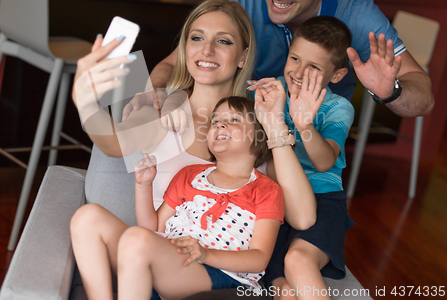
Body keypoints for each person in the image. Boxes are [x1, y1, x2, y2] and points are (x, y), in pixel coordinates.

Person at [128, 0, 433, 120]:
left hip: (311, 135)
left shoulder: (355, 11)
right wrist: (155, 91)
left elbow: (424, 98)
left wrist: (389, 91)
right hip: (243, 124)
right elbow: (174, 63)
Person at [71, 91, 312, 299]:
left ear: (258, 135)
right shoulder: (189, 175)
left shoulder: (266, 189)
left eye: (233, 120)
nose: (219, 125)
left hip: (219, 275)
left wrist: (206, 254)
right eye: (215, 121)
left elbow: (259, 259)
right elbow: (152, 227)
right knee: (87, 217)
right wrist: (143, 186)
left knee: (137, 241)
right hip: (167, 263)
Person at [248, 16, 355, 300]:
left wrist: (304, 124)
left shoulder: (337, 107)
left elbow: (324, 162)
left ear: (336, 75)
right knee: (272, 274)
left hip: (322, 200)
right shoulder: (274, 91)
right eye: (295, 58)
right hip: (275, 199)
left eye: (314, 67)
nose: (299, 72)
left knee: (297, 260)